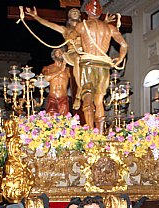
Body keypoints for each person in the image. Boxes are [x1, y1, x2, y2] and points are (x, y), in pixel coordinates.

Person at [73, 0, 128, 130]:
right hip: (104, 66)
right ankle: (100, 134)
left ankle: (91, 131)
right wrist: (120, 58)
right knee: (99, 101)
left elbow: (70, 38)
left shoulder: (82, 26)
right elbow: (124, 45)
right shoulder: (109, 28)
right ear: (100, 13)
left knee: (87, 97)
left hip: (88, 64)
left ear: (86, 11)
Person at [25, 7, 84, 109]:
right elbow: (48, 24)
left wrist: (105, 22)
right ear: (69, 16)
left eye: (77, 12)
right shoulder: (65, 30)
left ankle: (84, 92)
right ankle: (78, 95)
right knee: (78, 61)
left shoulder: (84, 28)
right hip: (72, 54)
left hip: (83, 53)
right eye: (72, 12)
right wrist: (36, 16)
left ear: (79, 15)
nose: (74, 13)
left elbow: (96, 29)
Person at [42, 48, 71, 116]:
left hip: (63, 97)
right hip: (52, 97)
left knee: (64, 119)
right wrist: (60, 71)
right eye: (58, 52)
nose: (60, 54)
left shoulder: (68, 69)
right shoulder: (48, 68)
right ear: (54, 54)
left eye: (62, 52)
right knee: (51, 117)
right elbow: (46, 78)